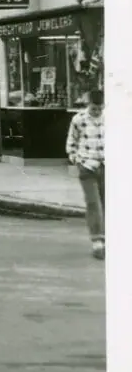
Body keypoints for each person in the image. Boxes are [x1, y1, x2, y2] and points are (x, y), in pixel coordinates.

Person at [66, 88, 105, 260]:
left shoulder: (111, 118)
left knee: (107, 205)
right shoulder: (79, 119)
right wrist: (75, 159)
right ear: (88, 104)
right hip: (87, 166)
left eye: (99, 108)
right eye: (93, 108)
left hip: (107, 166)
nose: (96, 112)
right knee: (93, 203)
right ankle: (97, 242)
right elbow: (71, 141)